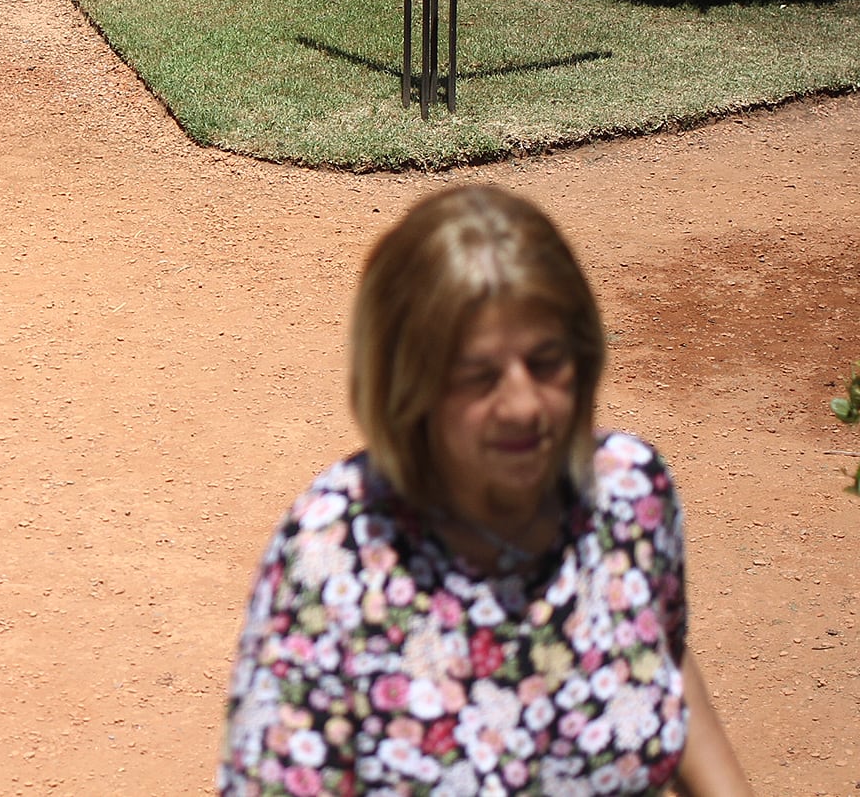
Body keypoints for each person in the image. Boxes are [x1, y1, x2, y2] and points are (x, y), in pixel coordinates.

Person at [219, 185, 753, 797]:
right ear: (408, 388)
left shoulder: (629, 494)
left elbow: (658, 654)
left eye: (547, 362)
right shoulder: (330, 558)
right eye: (479, 377)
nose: (524, 405)